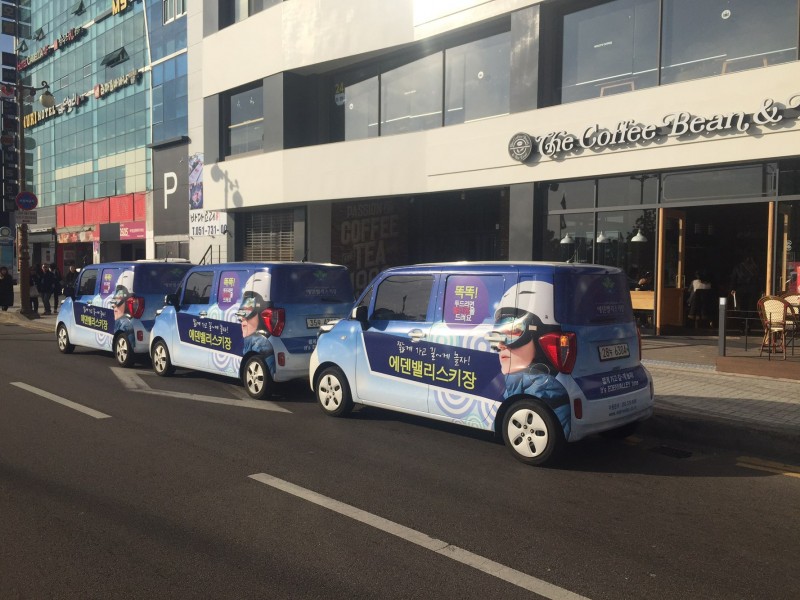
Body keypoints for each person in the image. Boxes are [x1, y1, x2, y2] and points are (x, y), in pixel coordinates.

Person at [490, 281, 571, 438]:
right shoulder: (514, 387)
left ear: (539, 336)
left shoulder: (546, 393)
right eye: (497, 333)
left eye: (514, 331)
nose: (500, 345)